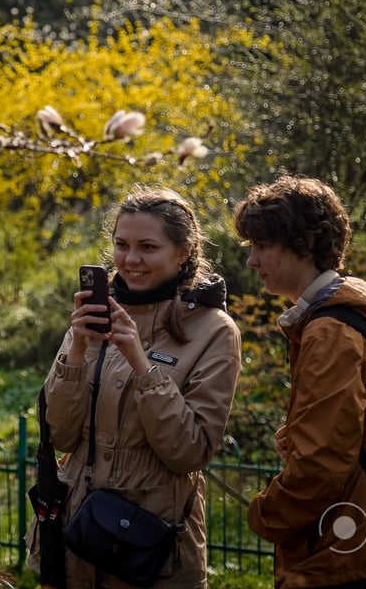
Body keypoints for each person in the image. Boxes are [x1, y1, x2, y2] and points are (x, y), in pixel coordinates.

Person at [31, 184, 242, 589]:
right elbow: (58, 435)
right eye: (121, 244)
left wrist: (142, 366)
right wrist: (75, 350)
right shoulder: (96, 315)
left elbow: (189, 451)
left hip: (148, 548)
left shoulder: (213, 331)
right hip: (74, 535)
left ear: (183, 252)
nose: (130, 260)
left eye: (147, 247)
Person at [233, 175, 366, 589]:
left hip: (341, 548)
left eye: (262, 246)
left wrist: (265, 513)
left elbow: (322, 464)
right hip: (356, 538)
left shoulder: (330, 331)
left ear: (305, 245)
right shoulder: (339, 315)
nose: (251, 261)